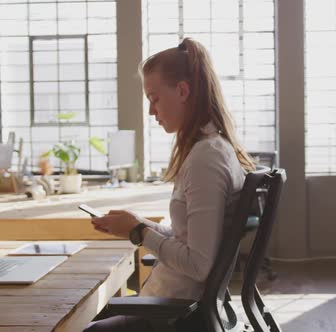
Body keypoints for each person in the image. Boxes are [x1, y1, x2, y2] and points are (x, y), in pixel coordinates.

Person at [83, 38, 255, 332]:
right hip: (172, 305)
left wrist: (138, 233)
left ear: (183, 90)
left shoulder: (206, 159)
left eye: (154, 98)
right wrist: (139, 224)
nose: (151, 111)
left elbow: (198, 264)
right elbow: (187, 237)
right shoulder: (211, 150)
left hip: (173, 313)